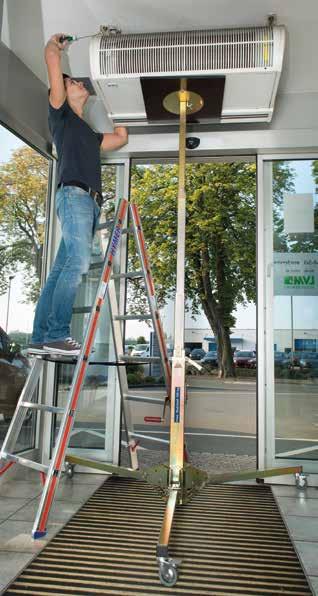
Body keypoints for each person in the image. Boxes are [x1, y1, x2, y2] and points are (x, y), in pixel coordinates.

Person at [28, 33, 128, 356]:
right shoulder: (61, 114)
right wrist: (54, 46)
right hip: (74, 197)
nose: (79, 85)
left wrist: (115, 93)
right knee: (80, 262)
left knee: (62, 268)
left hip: (86, 204)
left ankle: (41, 335)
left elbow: (122, 137)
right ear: (61, 91)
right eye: (73, 83)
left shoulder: (89, 133)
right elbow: (52, 59)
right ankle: (57, 332)